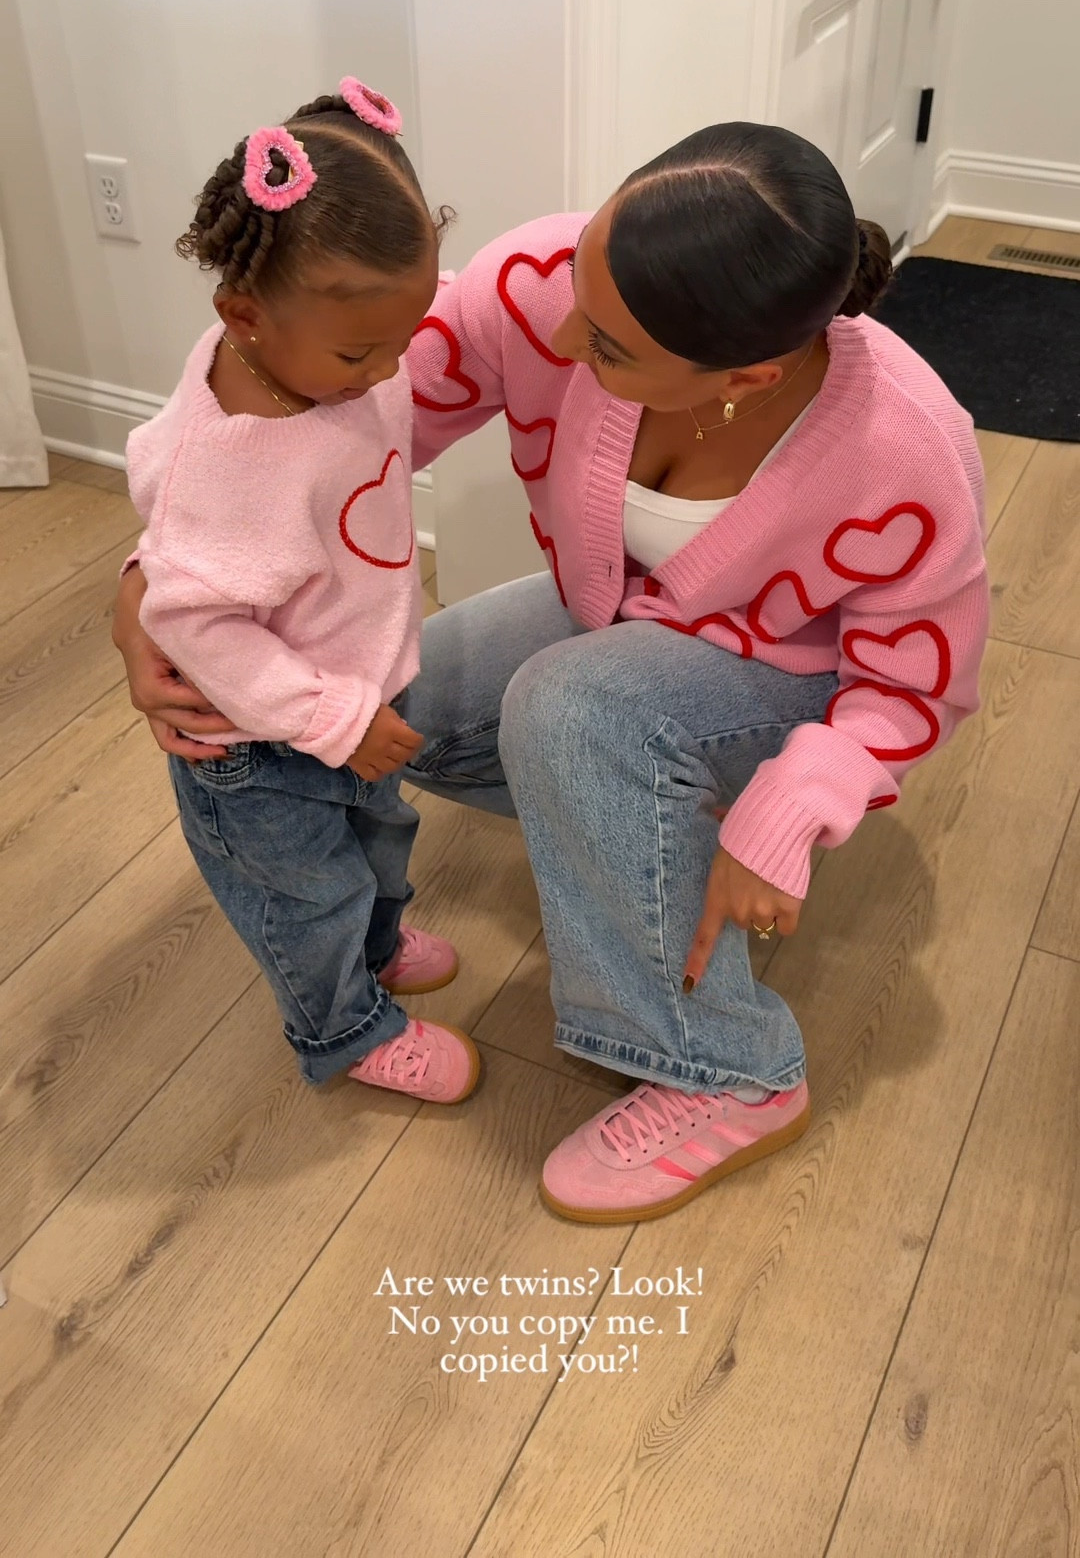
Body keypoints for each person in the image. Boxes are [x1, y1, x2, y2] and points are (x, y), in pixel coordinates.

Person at [115, 121, 989, 1224]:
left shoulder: (904, 446)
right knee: (380, 697)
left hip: (792, 683)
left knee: (572, 711)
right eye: (583, 281)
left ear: (747, 374)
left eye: (613, 349)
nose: (565, 333)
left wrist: (790, 811)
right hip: (613, 622)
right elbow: (322, 418)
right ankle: (644, 816)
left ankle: (728, 1070)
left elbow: (915, 685)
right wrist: (153, 585)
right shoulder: (543, 285)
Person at [122, 78, 479, 1105]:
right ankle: (346, 1027)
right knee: (306, 896)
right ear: (242, 315)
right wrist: (331, 718)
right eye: (363, 351)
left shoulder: (325, 366)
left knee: (381, 847)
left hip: (355, 700)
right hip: (263, 749)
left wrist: (357, 711)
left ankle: (375, 945)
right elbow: (190, 618)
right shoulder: (232, 459)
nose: (390, 370)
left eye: (405, 337)